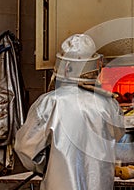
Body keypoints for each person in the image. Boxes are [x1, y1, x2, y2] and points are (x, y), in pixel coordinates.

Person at [14, 34, 125, 190]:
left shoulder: (49, 103)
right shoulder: (108, 104)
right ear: (96, 66)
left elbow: (25, 149)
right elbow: (118, 133)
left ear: (63, 68)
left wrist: (48, 165)